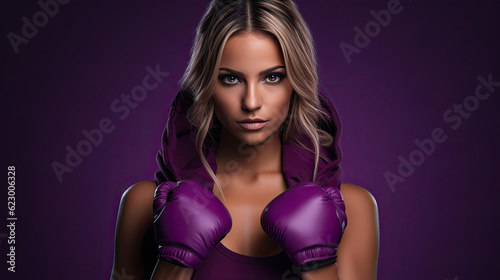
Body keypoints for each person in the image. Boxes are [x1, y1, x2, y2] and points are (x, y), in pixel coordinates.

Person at [111, 0, 379, 279]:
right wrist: (175, 260)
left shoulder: (352, 209)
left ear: (297, 83)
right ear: (205, 85)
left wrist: (318, 263)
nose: (251, 102)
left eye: (272, 77)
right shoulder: (144, 205)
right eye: (230, 79)